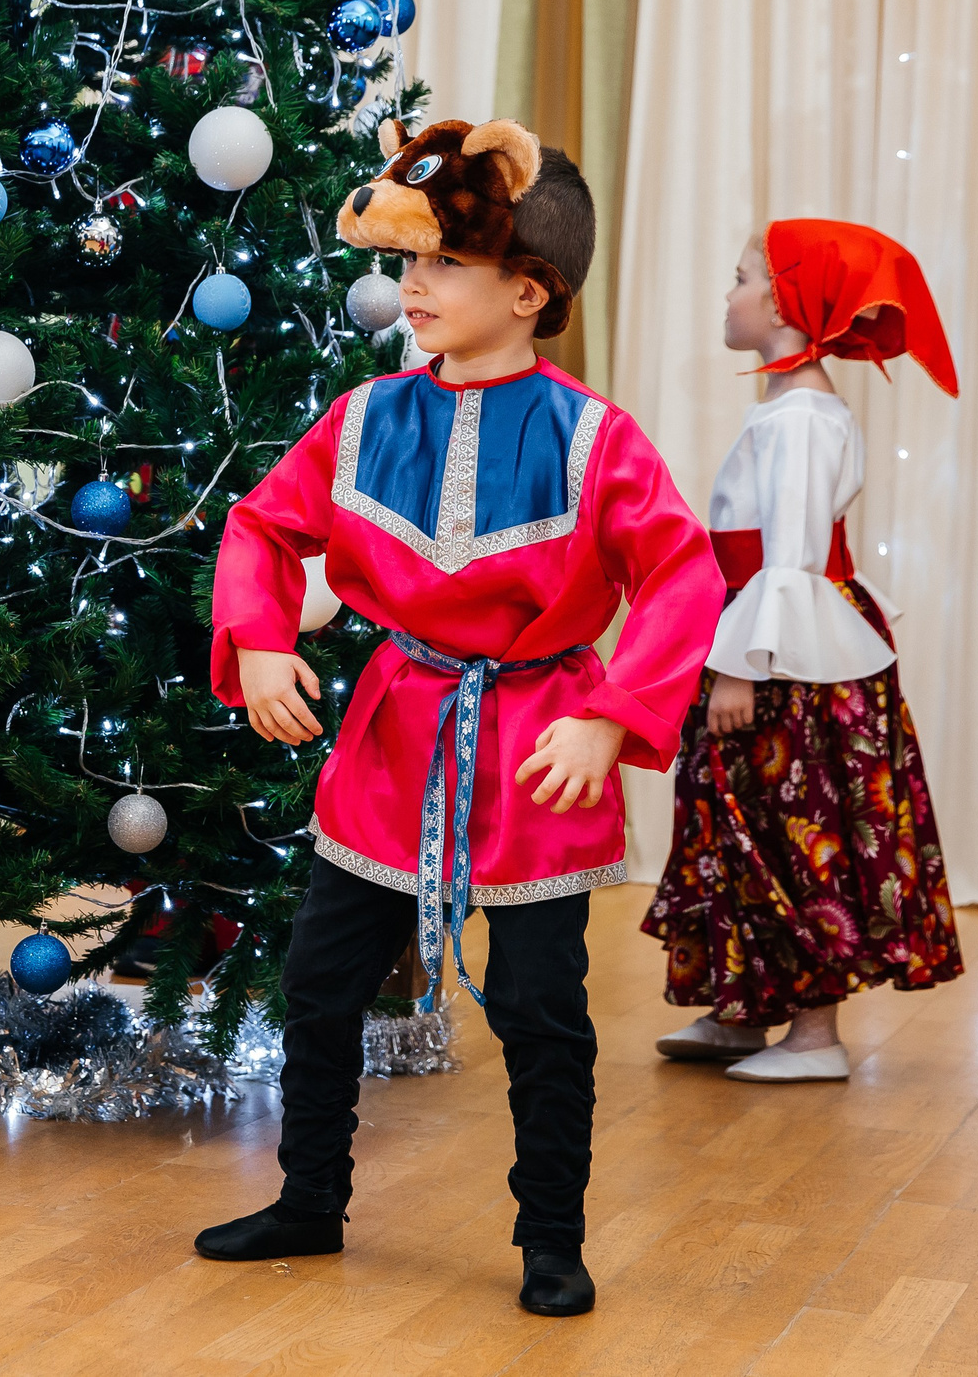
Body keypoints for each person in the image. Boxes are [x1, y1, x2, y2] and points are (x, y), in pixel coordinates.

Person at [196, 119, 724, 1317]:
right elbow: (264, 528)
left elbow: (681, 579)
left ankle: (551, 1239)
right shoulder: (365, 416)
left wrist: (609, 718)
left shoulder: (598, 439)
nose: (412, 286)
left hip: (541, 746)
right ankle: (308, 1202)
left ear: (528, 291)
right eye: (409, 262)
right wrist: (266, 638)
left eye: (442, 263)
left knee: (542, 1012)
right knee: (322, 985)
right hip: (391, 731)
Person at [644, 219, 964, 1082]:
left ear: (785, 302)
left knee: (794, 825)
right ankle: (752, 1005)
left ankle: (815, 1036)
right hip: (777, 639)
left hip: (789, 659)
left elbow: (787, 555)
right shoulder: (790, 411)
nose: (727, 292)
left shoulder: (802, 421)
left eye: (742, 276)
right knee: (736, 821)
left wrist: (741, 664)